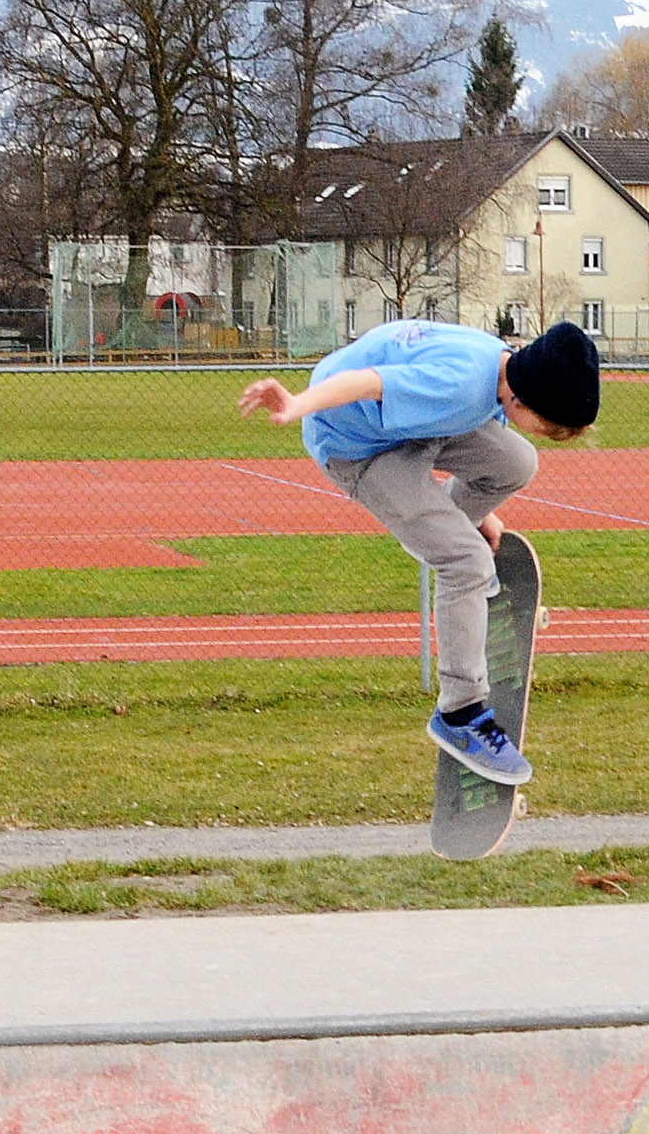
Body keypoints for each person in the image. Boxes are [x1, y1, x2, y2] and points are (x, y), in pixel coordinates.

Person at [238, 319, 599, 786]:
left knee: (517, 460)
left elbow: (472, 432)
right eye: (548, 428)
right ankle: (460, 714)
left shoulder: (503, 367)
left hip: (410, 428)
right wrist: (295, 404)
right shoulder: (459, 384)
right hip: (356, 445)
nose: (547, 435)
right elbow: (365, 382)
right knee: (467, 562)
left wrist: (476, 513)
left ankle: (444, 534)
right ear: (521, 400)